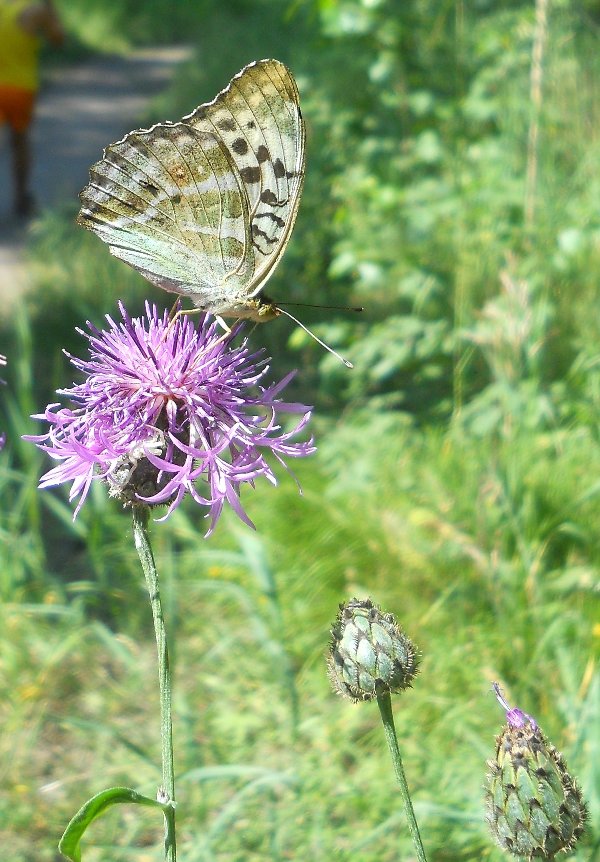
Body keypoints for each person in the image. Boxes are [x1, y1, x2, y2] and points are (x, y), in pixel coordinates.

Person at [0, 0, 64, 218]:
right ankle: (20, 199)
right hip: (20, 88)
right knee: (20, 141)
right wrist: (51, 9)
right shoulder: (35, 9)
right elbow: (58, 39)